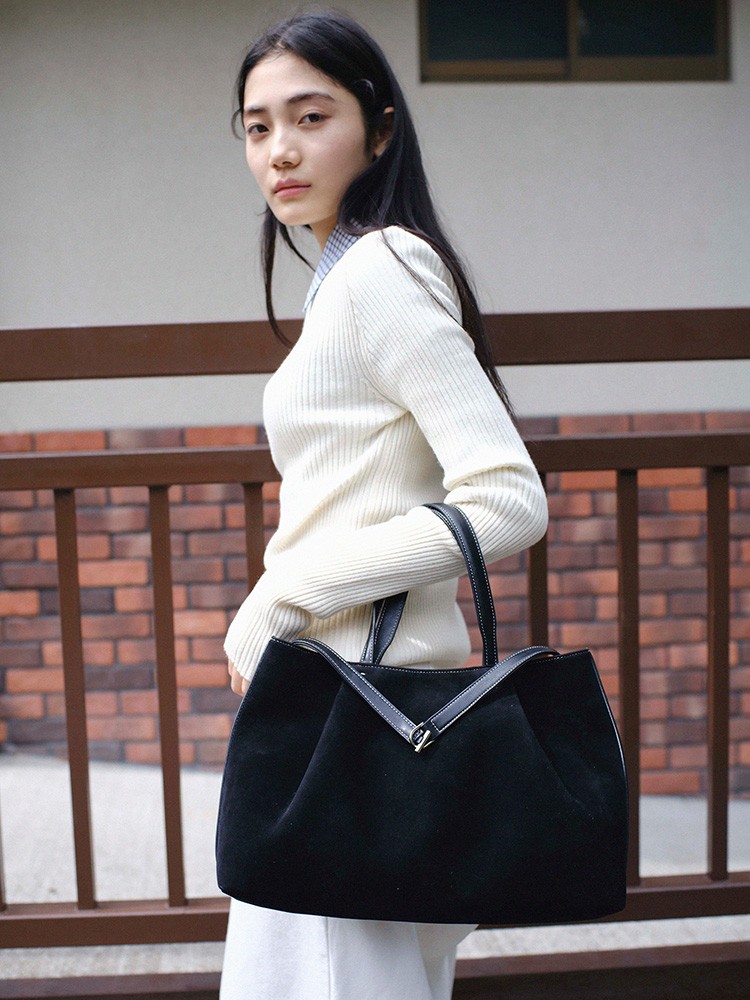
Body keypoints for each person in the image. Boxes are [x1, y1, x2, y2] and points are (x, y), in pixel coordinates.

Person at [220, 10, 548, 1000]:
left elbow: (508, 498)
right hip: (342, 708)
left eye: (310, 116)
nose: (280, 150)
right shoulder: (344, 279)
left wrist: (288, 594)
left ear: (379, 128)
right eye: (257, 127)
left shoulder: (382, 269)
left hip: (360, 717)